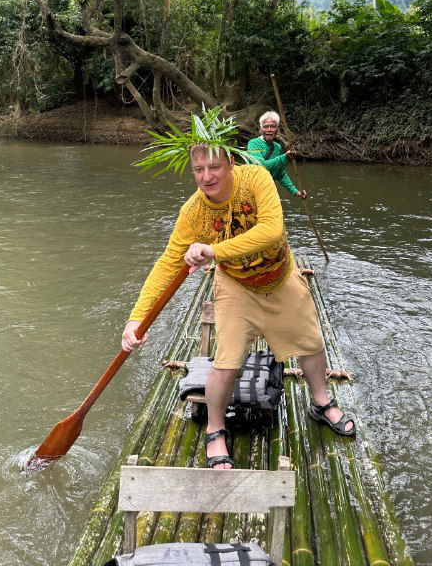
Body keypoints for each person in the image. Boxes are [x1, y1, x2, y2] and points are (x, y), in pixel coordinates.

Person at [122, 109, 354, 470]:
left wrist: (213, 251)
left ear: (230, 162)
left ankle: (321, 402)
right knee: (227, 361)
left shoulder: (256, 178)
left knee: (311, 343)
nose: (207, 176)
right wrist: (137, 319)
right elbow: (169, 263)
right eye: (198, 170)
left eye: (214, 167)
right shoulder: (194, 212)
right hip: (236, 287)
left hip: (280, 276)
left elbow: (271, 231)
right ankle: (215, 430)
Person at [247, 111, 307, 199]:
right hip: (251, 192)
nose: (269, 130)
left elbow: (280, 173)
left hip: (267, 192)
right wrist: (285, 157)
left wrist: (295, 191)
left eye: (272, 126)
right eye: (266, 126)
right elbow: (261, 166)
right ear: (261, 129)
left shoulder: (278, 147)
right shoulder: (253, 144)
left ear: (277, 130)